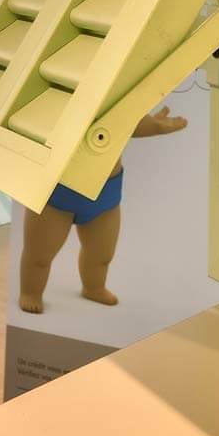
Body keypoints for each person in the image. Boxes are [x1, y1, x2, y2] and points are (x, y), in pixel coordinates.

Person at [16, 104, 189, 314]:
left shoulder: (116, 100)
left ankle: (94, 288)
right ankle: (30, 292)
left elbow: (127, 123)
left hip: (105, 196)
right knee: (39, 256)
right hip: (56, 195)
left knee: (102, 255)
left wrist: (154, 126)